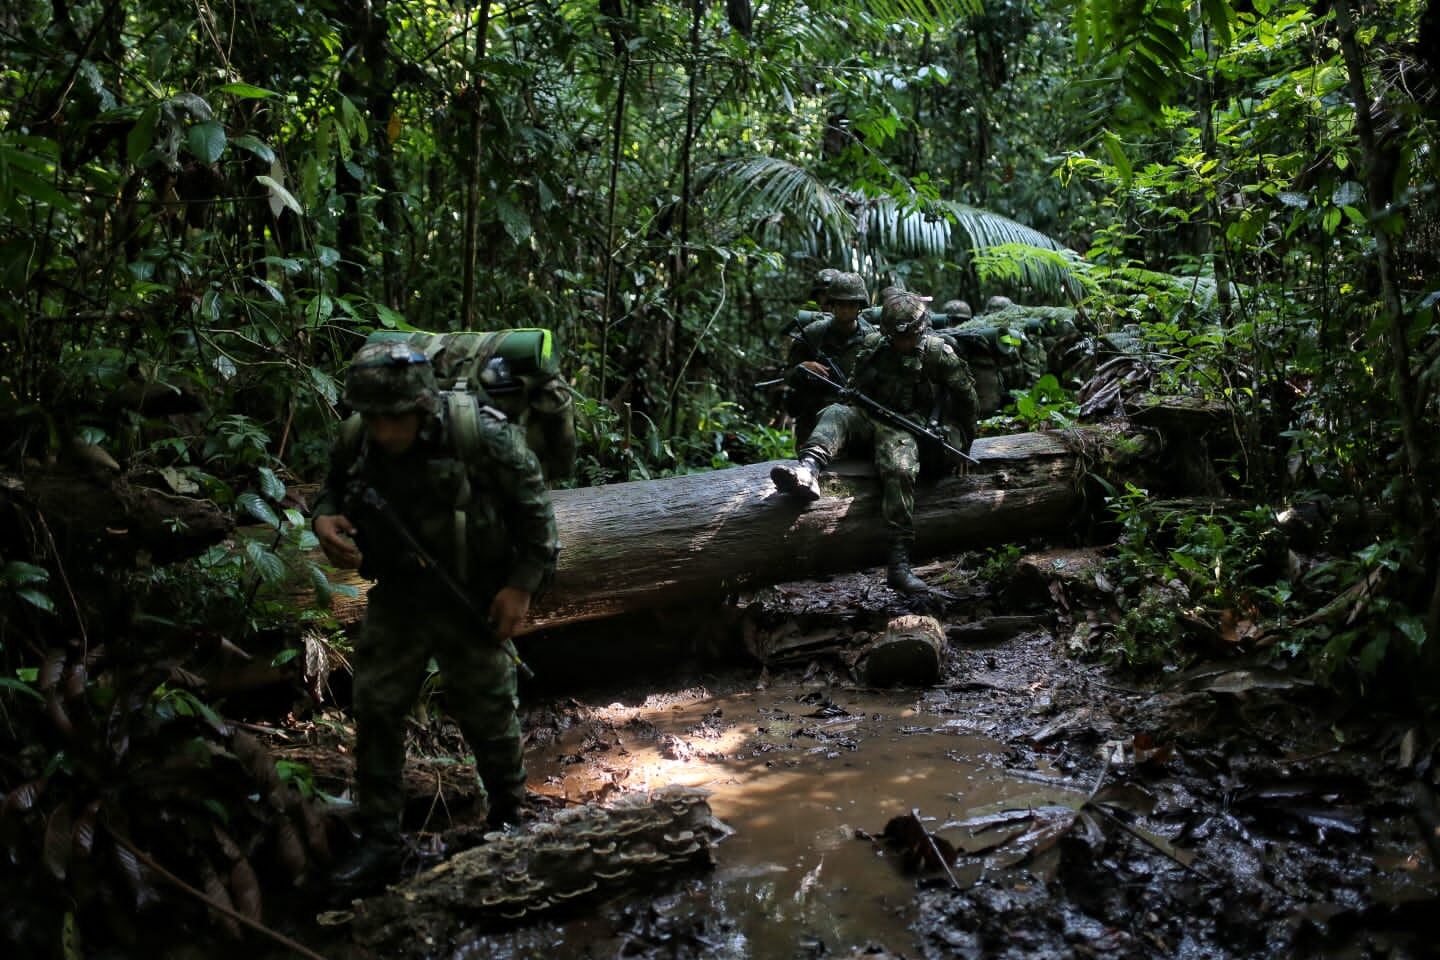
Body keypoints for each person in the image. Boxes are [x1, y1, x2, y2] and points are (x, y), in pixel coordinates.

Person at [312, 341, 559, 893]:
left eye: (393, 418)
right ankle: (380, 837)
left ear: (422, 407)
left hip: (470, 595)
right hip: (399, 596)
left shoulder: (483, 437)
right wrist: (324, 519)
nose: (382, 431)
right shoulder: (358, 438)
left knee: (489, 708)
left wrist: (519, 590)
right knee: (376, 707)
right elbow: (332, 488)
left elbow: (539, 522)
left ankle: (509, 817)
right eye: (372, 417)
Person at [771, 291, 979, 594]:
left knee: (899, 467)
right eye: (895, 338)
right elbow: (854, 387)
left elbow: (968, 401)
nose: (901, 344)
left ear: (920, 331)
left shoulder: (938, 353)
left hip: (907, 427)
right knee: (836, 412)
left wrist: (964, 446)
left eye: (907, 339)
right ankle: (808, 469)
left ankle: (899, 563)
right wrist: (851, 394)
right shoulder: (873, 346)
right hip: (871, 418)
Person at [783, 271, 878, 440]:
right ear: (832, 305)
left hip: (855, 421)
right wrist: (803, 369)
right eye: (841, 305)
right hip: (812, 422)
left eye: (851, 305)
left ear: (860, 307)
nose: (846, 310)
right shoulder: (812, 334)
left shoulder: (871, 339)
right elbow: (787, 376)